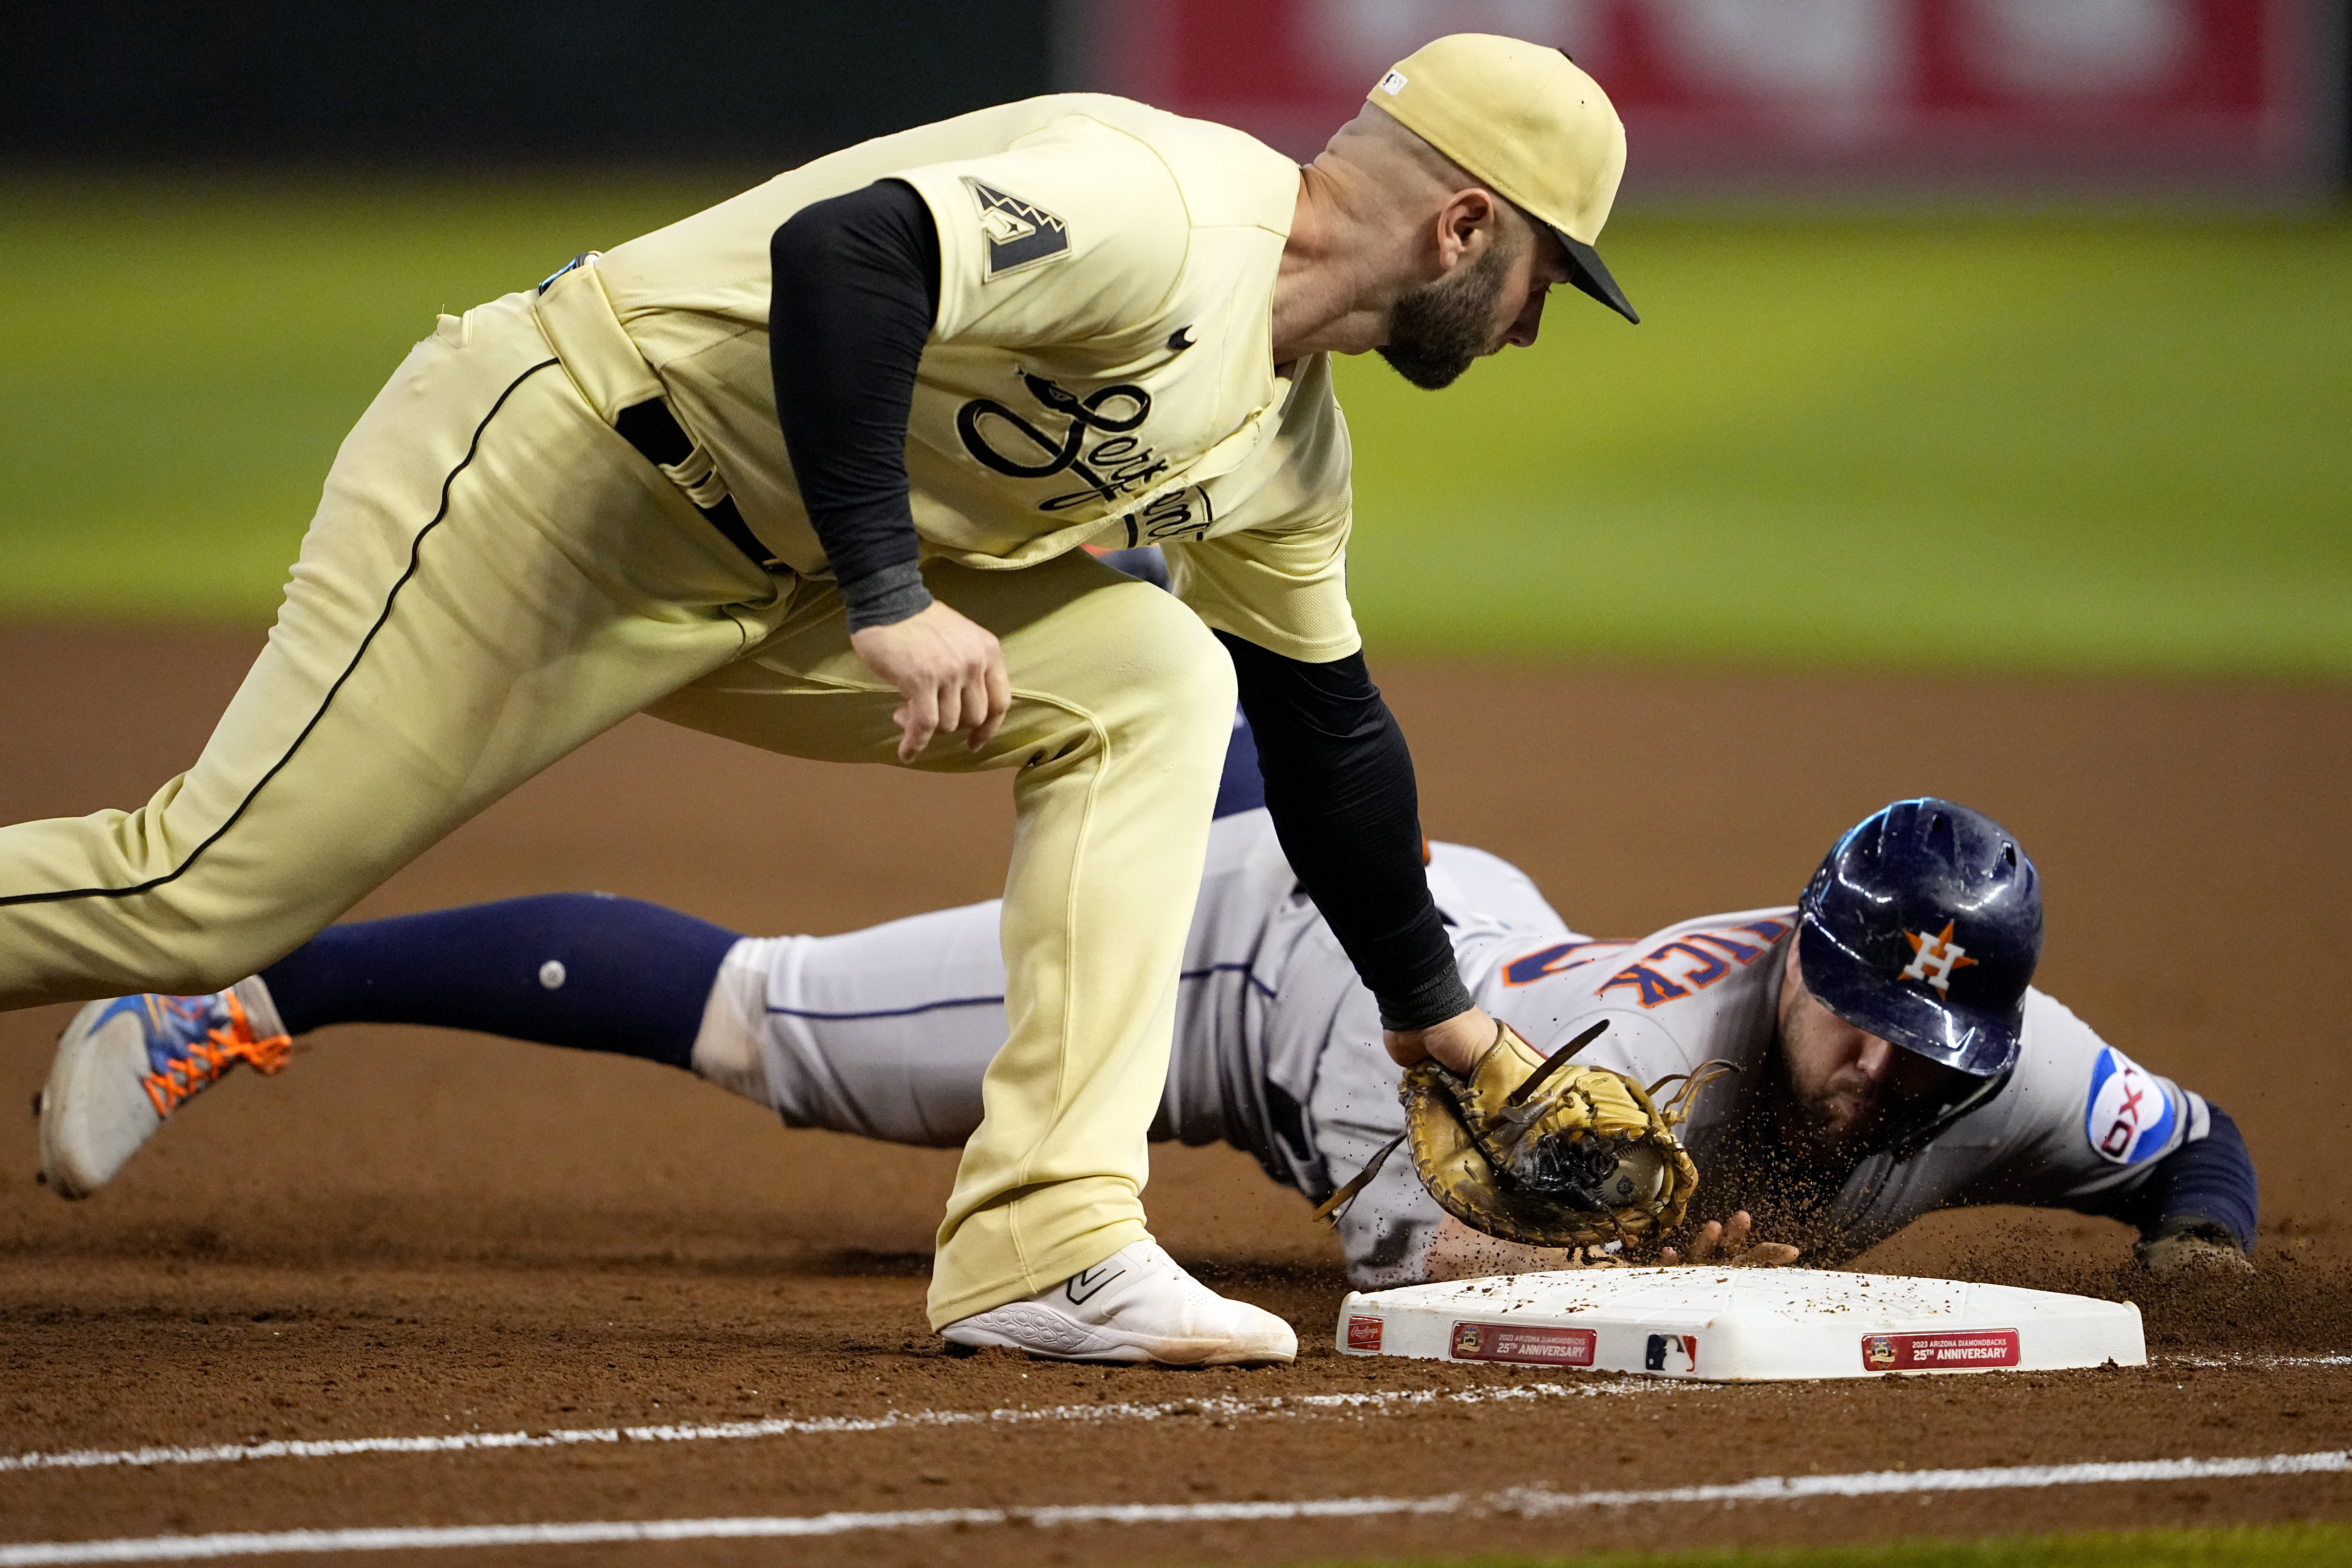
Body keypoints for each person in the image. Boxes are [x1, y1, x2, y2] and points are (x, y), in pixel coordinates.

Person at [0, 37, 1647, 1365]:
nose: (1528, 328)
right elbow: (846, 254)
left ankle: (1050, 1245)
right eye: (1547, 282)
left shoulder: (1289, 451)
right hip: (566, 472)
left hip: (764, 581)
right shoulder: (1165, 208)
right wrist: (890, 592)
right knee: (199, 896)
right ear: (1464, 228)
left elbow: (1327, 731)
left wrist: (1445, 1016)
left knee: (1157, 676)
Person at [39, 775, 2257, 1317]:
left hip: (1434, 926)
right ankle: (235, 990)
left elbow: (2204, 1155)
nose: (1879, 1075)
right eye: (1855, 1020)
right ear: (1805, 956)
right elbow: (1454, 1299)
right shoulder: (1626, 1090)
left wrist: (2200, 1254)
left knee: (1215, 764)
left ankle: (1167, 643)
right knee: (786, 1030)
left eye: (1921, 1060)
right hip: (1290, 970)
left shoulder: (2012, 1062)